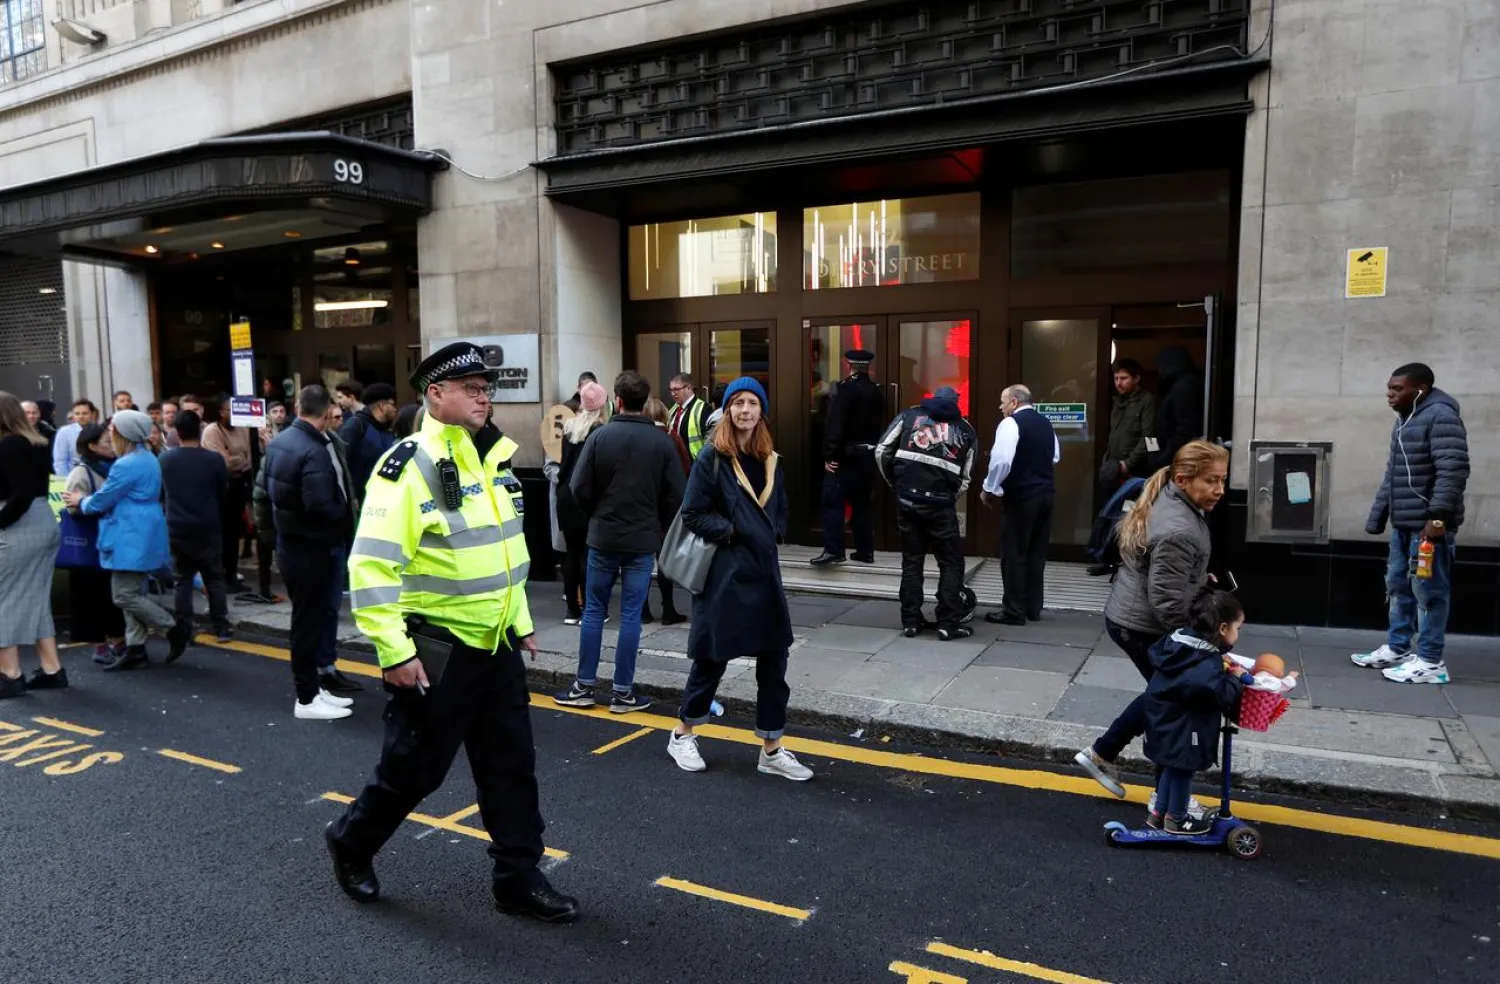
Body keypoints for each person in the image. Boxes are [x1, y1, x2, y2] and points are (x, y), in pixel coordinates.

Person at [328, 341, 577, 923]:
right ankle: (352, 841)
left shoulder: (490, 459)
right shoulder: (408, 465)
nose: (483, 397)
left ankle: (518, 876)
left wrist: (518, 621)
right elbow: (371, 565)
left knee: (511, 766)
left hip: (496, 646)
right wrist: (393, 651)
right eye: (471, 388)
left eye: (486, 388)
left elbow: (503, 553)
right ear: (435, 394)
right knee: (414, 769)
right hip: (436, 650)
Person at [665, 377, 812, 780]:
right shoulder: (712, 458)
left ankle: (771, 747)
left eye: (752, 403)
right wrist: (732, 531)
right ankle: (682, 733)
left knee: (774, 662)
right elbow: (693, 513)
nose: (745, 410)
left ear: (761, 411)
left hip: (764, 575)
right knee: (712, 659)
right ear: (728, 410)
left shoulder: (772, 460)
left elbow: (779, 507)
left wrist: (775, 530)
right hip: (724, 575)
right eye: (738, 403)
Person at [1073, 440, 1228, 820]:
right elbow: (1166, 600)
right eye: (1211, 481)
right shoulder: (1179, 527)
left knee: (1163, 694)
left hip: (1131, 615)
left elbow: (1167, 578)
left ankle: (1103, 753)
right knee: (1175, 702)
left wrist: (1197, 580)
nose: (1220, 490)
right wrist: (1198, 646)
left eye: (1223, 480)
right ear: (1182, 479)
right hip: (1142, 623)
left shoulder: (1177, 502)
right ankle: (1165, 798)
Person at [555, 371, 685, 712]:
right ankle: (623, 692)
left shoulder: (601, 437)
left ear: (619, 400)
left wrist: (596, 513)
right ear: (645, 402)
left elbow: (578, 486)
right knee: (630, 616)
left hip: (603, 536)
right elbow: (678, 493)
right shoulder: (663, 441)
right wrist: (656, 522)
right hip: (642, 539)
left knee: (594, 611)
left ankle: (584, 686)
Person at [1352, 363, 1469, 685]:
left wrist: (1438, 518)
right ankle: (1399, 648)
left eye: (1397, 389)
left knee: (1429, 592)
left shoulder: (1441, 416)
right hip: (1404, 525)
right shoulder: (1406, 420)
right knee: (1398, 586)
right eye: (1389, 388)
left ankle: (1431, 661)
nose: (1390, 395)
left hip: (1428, 528)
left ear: (1421, 389)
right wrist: (1378, 516)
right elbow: (1393, 474)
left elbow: (1453, 470)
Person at [261, 385, 358, 720]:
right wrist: (343, 520)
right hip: (313, 546)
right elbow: (320, 507)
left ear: (298, 406)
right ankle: (306, 698)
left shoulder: (281, 441)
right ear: (325, 410)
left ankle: (314, 690)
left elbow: (265, 493)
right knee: (308, 623)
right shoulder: (314, 448)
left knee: (309, 621)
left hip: (294, 544)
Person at [65, 410, 189, 670]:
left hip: (129, 532)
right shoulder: (146, 457)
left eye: (113, 430)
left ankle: (173, 627)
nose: (110, 433)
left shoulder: (126, 463)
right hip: (143, 527)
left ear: (124, 433)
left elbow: (103, 498)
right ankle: (136, 649)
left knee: (123, 595)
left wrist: (80, 501)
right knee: (134, 590)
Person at [1142, 589, 1252, 835]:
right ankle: (1177, 818)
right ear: (1223, 628)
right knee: (1183, 770)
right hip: (1185, 727)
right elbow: (1217, 695)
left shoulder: (1180, 646)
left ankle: (1159, 813)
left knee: (1171, 766)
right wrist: (1234, 679)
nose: (1238, 633)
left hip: (1165, 720)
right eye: (1238, 628)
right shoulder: (1204, 661)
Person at [875, 386, 978, 641]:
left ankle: (910, 621)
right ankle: (948, 623)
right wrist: (950, 497)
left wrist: (896, 484)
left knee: (912, 560)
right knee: (951, 562)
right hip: (941, 505)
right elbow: (966, 477)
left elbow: (881, 451)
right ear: (957, 403)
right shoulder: (965, 429)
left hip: (907, 499)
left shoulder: (909, 417)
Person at [0, 393, 66, 697]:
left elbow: (20, 494)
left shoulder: (10, 444)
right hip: (41, 520)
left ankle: (10, 675)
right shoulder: (36, 441)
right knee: (36, 600)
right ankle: (52, 670)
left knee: (5, 600)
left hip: (18, 524)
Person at [980, 384, 1060, 626]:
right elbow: (1055, 456)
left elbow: (1002, 461)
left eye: (1003, 402)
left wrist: (989, 488)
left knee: (1014, 553)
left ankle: (1013, 610)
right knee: (1036, 552)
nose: (1000, 407)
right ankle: (1032, 607)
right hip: (1046, 493)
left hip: (1022, 495)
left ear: (1014, 402)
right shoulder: (1045, 423)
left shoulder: (1010, 423)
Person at [160, 410, 233, 645]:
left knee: (182, 579)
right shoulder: (213, 460)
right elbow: (224, 491)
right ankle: (221, 626)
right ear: (200, 430)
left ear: (177, 433)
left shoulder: (165, 460)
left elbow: (161, 493)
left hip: (178, 526)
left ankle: (184, 626)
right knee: (214, 577)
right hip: (208, 524)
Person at [810, 349, 884, 566]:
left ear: (848, 365)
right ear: (868, 367)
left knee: (832, 500)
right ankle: (865, 550)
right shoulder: (875, 392)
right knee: (862, 503)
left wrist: (830, 455)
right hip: (868, 456)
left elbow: (836, 426)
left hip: (846, 457)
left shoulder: (845, 391)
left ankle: (834, 550)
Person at [64, 422, 128, 664]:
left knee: (114, 594)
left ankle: (120, 640)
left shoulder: (117, 468)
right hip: (89, 544)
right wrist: (93, 504)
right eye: (106, 442)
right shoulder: (81, 473)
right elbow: (72, 508)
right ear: (91, 446)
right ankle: (100, 646)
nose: (112, 445)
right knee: (89, 597)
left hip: (113, 542)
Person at [1091, 359, 1157, 576]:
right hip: (1112, 467)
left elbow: (1149, 437)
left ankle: (1125, 561)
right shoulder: (1117, 402)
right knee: (1109, 513)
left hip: (1132, 471)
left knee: (1128, 515)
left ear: (1136, 379)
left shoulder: (1146, 401)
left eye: (1124, 378)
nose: (1119, 382)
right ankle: (1106, 557)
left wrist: (1128, 464)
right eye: (1116, 378)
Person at [554, 381, 608, 625]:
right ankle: (590, 608)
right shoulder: (600, 431)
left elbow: (564, 466)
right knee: (588, 554)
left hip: (565, 494)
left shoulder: (569, 427)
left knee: (571, 553)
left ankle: (571, 610)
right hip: (586, 496)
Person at [641, 395, 691, 625]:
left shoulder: (636, 439)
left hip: (641, 506)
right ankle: (668, 608)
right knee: (664, 560)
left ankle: (643, 610)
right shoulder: (672, 438)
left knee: (640, 561)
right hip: (668, 509)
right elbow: (685, 471)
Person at [202, 395, 253, 592]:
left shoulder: (243, 429)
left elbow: (250, 455)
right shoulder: (212, 431)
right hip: (221, 489)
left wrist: (237, 460)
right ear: (221, 412)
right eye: (229, 410)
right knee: (222, 534)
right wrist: (239, 460)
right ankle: (220, 575)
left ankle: (232, 573)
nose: (233, 414)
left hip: (240, 487)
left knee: (235, 533)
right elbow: (222, 462)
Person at [1147, 347, 1203, 472]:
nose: (1160, 371)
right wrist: (1152, 455)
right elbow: (1151, 432)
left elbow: (1184, 430)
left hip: (1170, 458)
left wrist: (1159, 458)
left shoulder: (1183, 387)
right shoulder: (1171, 388)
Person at [338, 382, 398, 498]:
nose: (395, 409)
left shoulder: (389, 430)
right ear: (382, 406)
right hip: (361, 499)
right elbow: (341, 461)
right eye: (392, 404)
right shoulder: (356, 425)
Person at [667, 372, 711, 459]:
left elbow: (710, 442)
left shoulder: (703, 409)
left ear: (688, 387)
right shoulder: (673, 409)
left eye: (676, 389)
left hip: (695, 463)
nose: (673, 393)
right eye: (671, 390)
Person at [53, 398, 98, 476]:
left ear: (92, 414)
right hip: (72, 477)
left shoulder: (99, 430)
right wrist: (67, 484)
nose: (81, 416)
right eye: (77, 414)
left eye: (84, 413)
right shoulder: (64, 432)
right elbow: (59, 463)